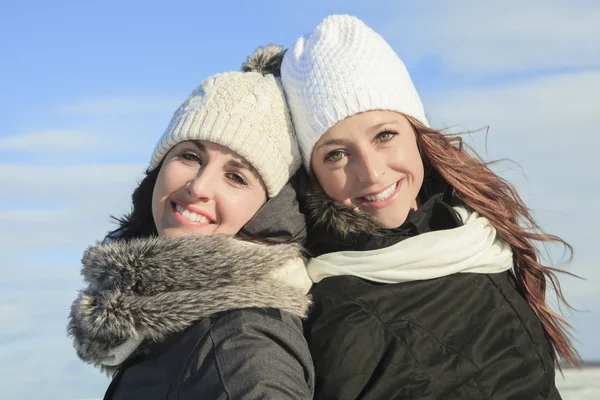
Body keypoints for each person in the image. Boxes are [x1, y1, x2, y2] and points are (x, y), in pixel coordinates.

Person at [281, 15, 577, 399]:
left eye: (385, 135)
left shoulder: (479, 233)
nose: (371, 172)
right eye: (337, 154)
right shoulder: (335, 309)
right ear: (313, 174)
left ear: (416, 134)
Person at [67, 45, 315, 399]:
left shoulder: (241, 340)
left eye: (236, 177)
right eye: (189, 155)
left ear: (267, 211)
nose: (199, 186)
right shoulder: (173, 321)